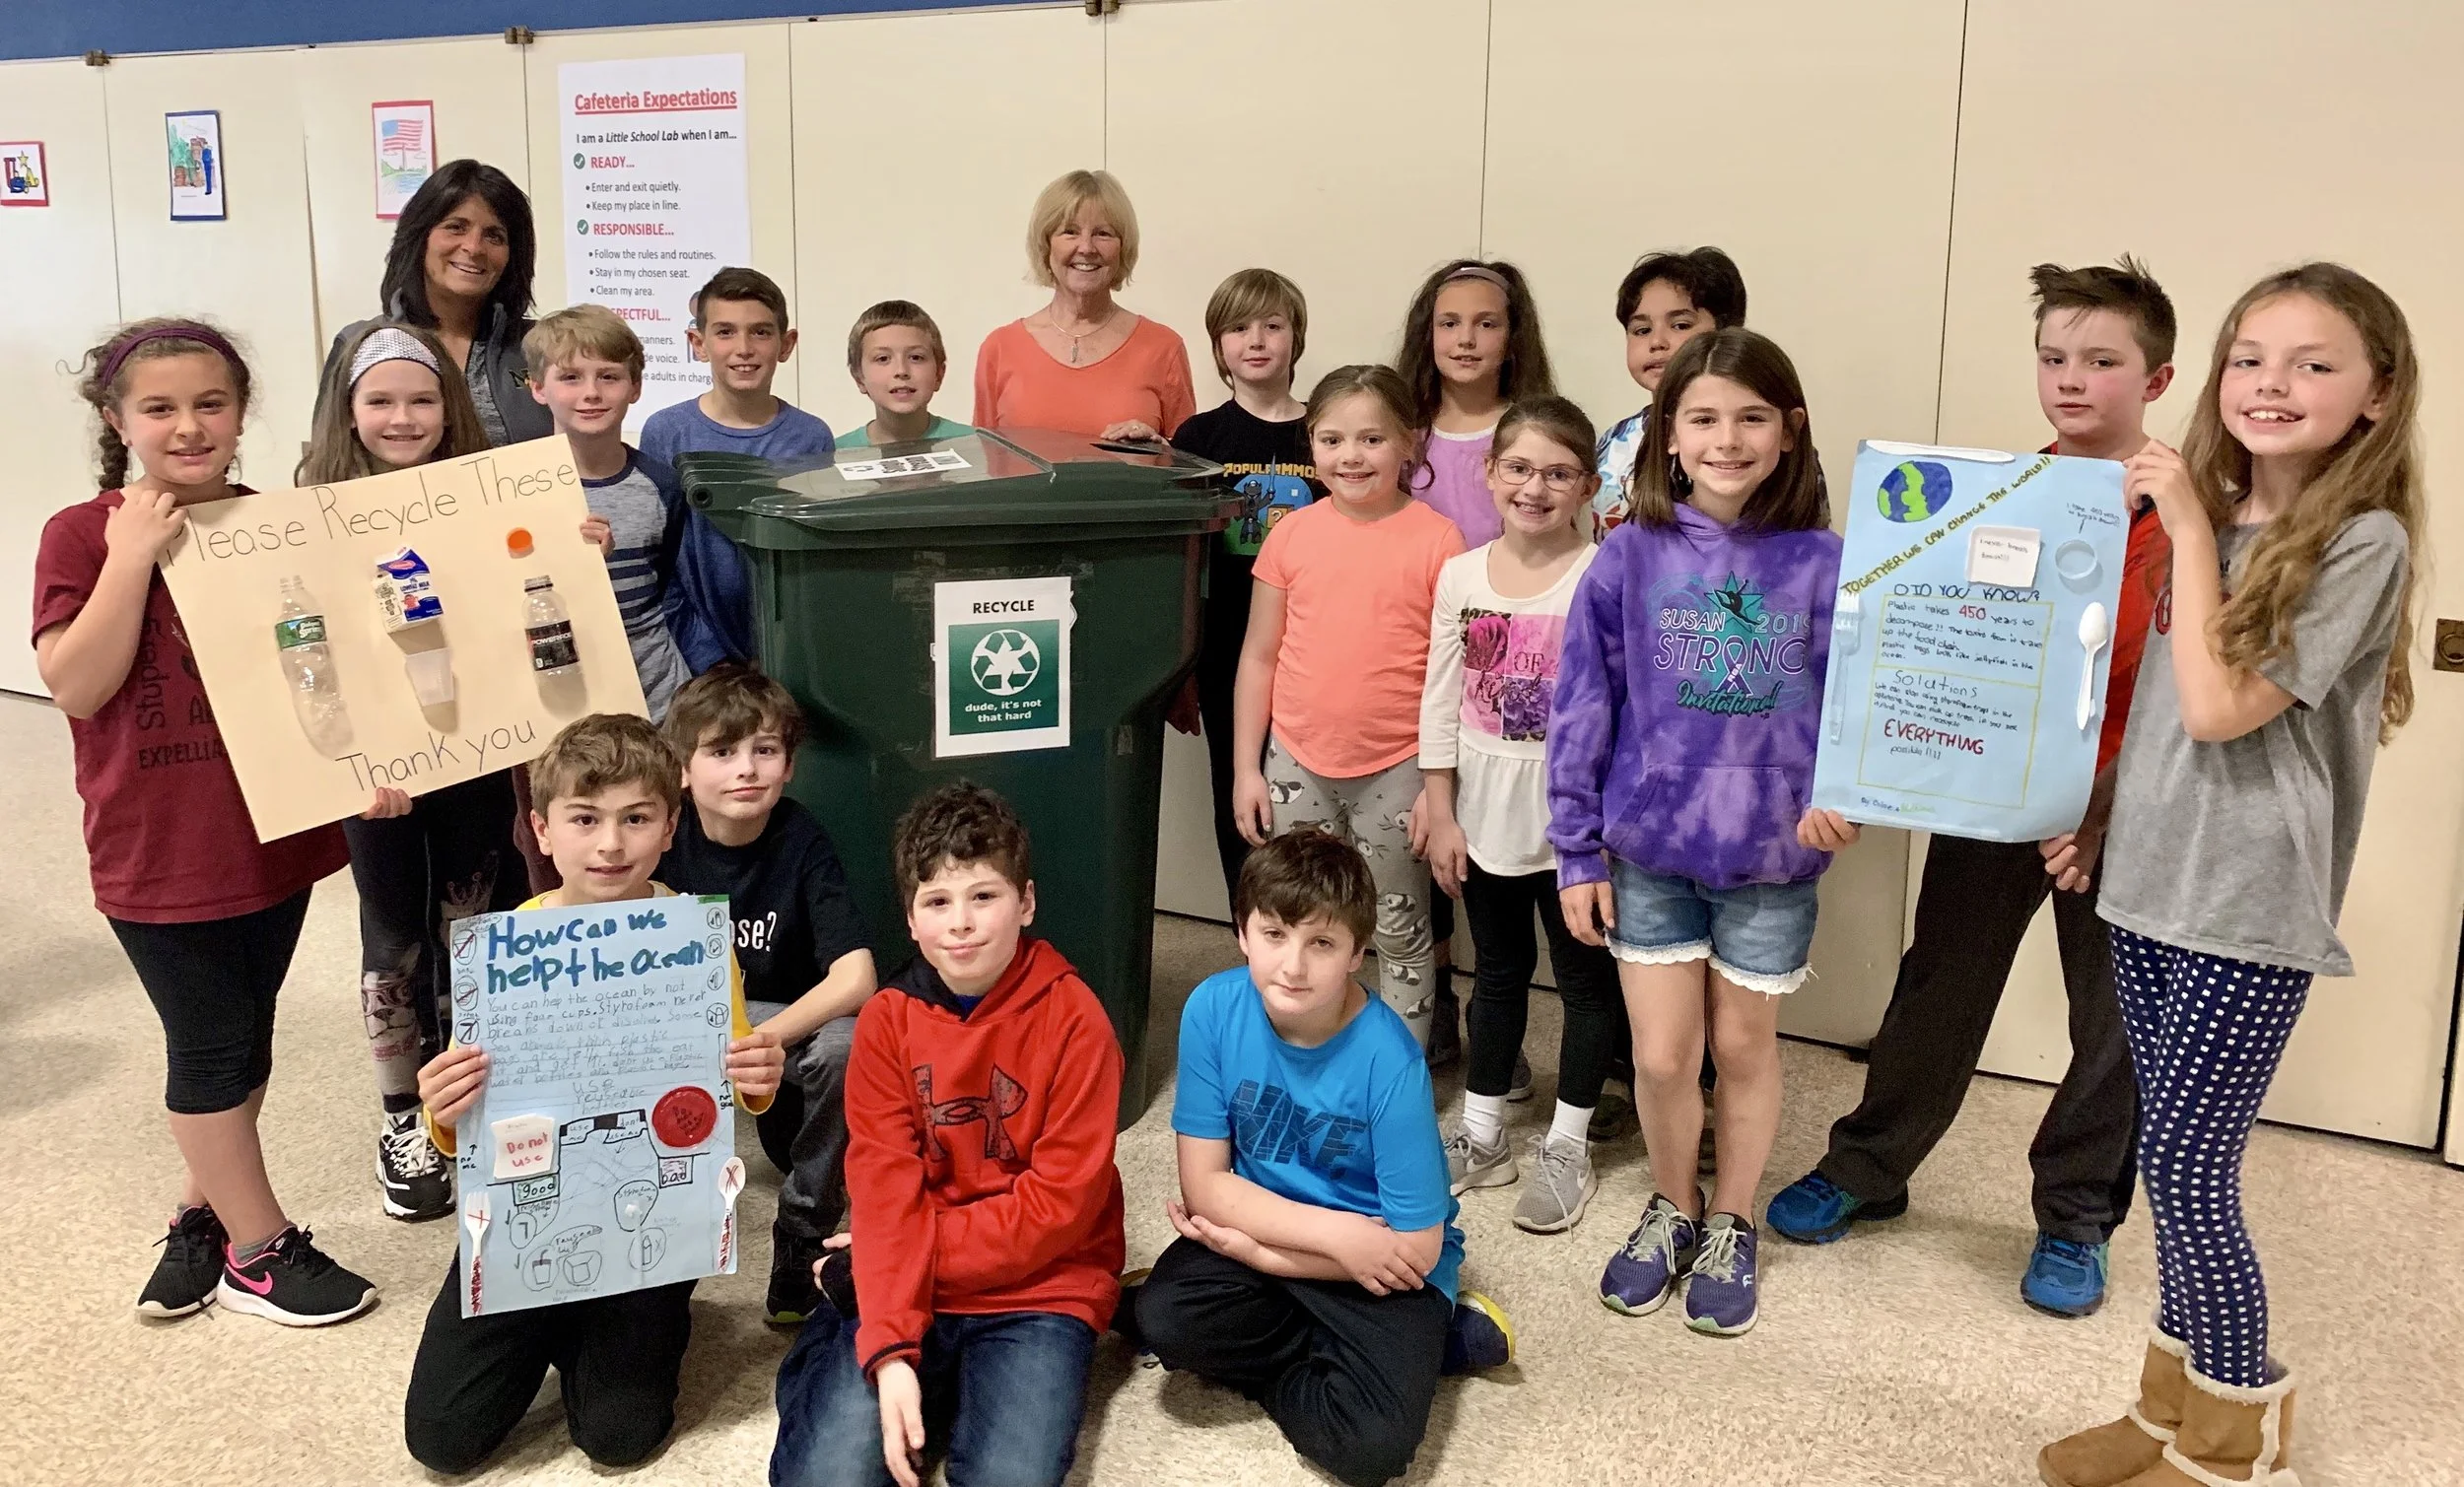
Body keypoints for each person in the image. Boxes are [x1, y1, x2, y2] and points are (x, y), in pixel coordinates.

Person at [2039, 263, 2421, 1487]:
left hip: (2242, 903)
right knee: (2166, 1160)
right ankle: (2166, 1410)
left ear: (2375, 395)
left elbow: (2217, 710)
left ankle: (2236, 1436)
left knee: (2192, 1174)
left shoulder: (2362, 541)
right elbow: (2151, 710)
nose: (2271, 384)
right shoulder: (2216, 516)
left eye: (2314, 364)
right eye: (2250, 356)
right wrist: (2096, 819)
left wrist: (2190, 529)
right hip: (2147, 877)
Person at [1766, 258, 2179, 1319]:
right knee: (1939, 984)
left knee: (2113, 1025)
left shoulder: (2192, 514)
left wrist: (2099, 808)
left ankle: (2076, 1219)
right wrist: (1866, 770)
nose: (2071, 380)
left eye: (2101, 360)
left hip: (2127, 814)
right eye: (2053, 358)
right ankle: (1868, 1168)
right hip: (1999, 801)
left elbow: (2192, 692)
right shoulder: (2001, 498)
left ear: (2159, 377)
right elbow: (1933, 654)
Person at [39, 319, 376, 1325]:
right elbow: (76, 685)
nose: (189, 428)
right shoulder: (81, 531)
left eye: (211, 405)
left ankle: (204, 1213)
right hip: (155, 846)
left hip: (270, 838)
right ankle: (261, 1252)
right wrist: (133, 555)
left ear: (240, 414)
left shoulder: (273, 521)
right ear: (117, 420)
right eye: (160, 408)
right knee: (210, 1048)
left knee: (247, 1032)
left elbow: (333, 667)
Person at [1550, 328, 1846, 1337]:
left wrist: (1848, 792)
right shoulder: (1626, 556)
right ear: (1666, 434)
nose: (1728, 439)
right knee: (1668, 1056)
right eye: (1705, 419)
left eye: (1752, 418)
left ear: (1789, 432)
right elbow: (1582, 707)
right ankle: (1671, 1205)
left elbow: (1864, 708)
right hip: (1649, 854)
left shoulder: (1824, 564)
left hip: (1769, 859)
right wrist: (1576, 849)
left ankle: (1732, 1219)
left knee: (1741, 1043)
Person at [403, 713, 785, 1471]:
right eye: (585, 819)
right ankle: (553, 1315)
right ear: (540, 830)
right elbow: (459, 1122)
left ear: (670, 826)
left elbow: (722, 1094)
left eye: (636, 818)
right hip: (522, 1218)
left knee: (620, 1436)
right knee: (441, 1438)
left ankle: (639, 1314)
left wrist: (758, 1082)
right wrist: (442, 1114)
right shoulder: (505, 947)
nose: (611, 844)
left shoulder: (694, 945)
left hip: (645, 1219)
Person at [1129, 829, 1513, 1487]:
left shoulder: (1389, 1058)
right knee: (1162, 1317)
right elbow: (1205, 1187)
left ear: (1358, 952)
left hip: (1384, 1262)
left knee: (1370, 1452)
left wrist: (1286, 1246)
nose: (1293, 965)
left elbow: (1416, 1248)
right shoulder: (1213, 1010)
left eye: (1322, 943)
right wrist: (1296, 1244)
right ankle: (1355, 1353)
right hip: (1295, 1234)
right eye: (1274, 934)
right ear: (1242, 932)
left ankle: (1420, 1339)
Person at [771, 782, 1125, 1487]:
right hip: (908, 1280)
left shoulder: (1079, 1020)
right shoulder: (886, 1023)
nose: (960, 924)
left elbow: (1056, 1211)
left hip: (1041, 1289)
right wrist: (891, 1343)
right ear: (910, 918)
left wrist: (879, 1260)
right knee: (827, 1476)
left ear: (1026, 902)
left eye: (983, 897)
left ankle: (907, 1343)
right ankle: (862, 1345)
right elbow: (883, 1184)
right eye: (937, 901)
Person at [297, 321, 533, 1222]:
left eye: (423, 398)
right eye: (381, 400)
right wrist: (360, 757)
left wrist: (564, 542)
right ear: (348, 411)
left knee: (479, 906)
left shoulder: (479, 492)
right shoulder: (312, 509)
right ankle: (403, 1111)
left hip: (469, 742)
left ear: (452, 406)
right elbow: (313, 650)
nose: (404, 417)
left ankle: (478, 1082)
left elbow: (525, 589)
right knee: (393, 924)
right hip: (375, 768)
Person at [1416, 396, 1620, 1235]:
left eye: (1559, 472)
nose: (1537, 487)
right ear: (1490, 472)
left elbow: (1625, 708)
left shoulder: (1603, 572)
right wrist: (1441, 809)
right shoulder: (1461, 575)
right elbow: (1439, 699)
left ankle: (1569, 1143)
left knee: (1581, 981)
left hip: (1574, 826)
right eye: (1520, 468)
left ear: (1588, 485)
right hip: (1483, 818)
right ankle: (1482, 1131)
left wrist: (1602, 835)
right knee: (1494, 974)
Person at [1230, 365, 1464, 1048]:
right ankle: (1294, 1053)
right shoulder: (1291, 535)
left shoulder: (1438, 540)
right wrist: (1249, 768)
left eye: (1370, 439)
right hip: (1297, 760)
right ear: (1312, 444)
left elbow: (1451, 676)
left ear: (1409, 445)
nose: (1351, 456)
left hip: (1400, 768)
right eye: (1332, 440)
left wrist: (1437, 788)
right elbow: (1259, 657)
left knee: (1397, 929)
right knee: (1293, 919)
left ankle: (1397, 1073)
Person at [653, 663, 876, 1325]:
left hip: (776, 1026)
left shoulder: (800, 837)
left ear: (789, 766)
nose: (746, 768)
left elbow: (857, 978)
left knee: (852, 1040)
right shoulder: (661, 837)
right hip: (685, 1023)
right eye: (722, 751)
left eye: (765, 750)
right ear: (684, 770)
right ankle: (651, 1241)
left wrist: (763, 1040)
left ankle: (803, 1233)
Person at [1393, 258, 1554, 1065]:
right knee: (1426, 864)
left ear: (1512, 336)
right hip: (1406, 672)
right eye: (1450, 322)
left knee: (1492, 862)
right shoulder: (1400, 431)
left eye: (1486, 322)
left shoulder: (1533, 436)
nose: (1466, 338)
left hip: (1502, 685)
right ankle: (1442, 1010)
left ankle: (1503, 1029)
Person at [1168, 268, 1320, 907]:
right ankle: (1252, 936)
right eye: (1238, 327)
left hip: (1312, 650)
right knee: (1241, 794)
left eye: (1272, 325)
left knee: (1309, 801)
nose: (1255, 340)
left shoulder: (1326, 431)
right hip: (1227, 647)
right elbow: (1179, 556)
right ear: (1218, 345)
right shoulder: (1199, 439)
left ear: (1297, 337)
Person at [641, 266, 836, 672]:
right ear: (698, 343)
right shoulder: (666, 433)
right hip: (697, 661)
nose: (743, 348)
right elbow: (658, 560)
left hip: (788, 653)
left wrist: (788, 649)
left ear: (787, 343)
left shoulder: (812, 438)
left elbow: (816, 562)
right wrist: (705, 655)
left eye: (761, 332)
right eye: (725, 332)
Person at [524, 304, 693, 722]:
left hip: (655, 696)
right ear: (537, 388)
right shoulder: (510, 489)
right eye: (570, 377)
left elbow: (670, 587)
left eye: (609, 376)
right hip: (554, 698)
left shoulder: (663, 484)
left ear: (635, 387)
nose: (592, 393)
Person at [320, 160, 550, 448]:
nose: (474, 247)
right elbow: (329, 463)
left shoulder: (544, 346)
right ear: (420, 237)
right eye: (456, 227)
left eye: (494, 235)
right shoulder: (357, 345)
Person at [971, 169, 1196, 441]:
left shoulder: (1164, 348)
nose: (1086, 247)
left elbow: (1191, 470)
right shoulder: (999, 348)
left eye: (1103, 233)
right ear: (1046, 244)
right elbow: (984, 465)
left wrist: (1162, 449)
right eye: (1070, 232)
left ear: (1123, 248)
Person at [1593, 247, 1746, 534]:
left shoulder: (1760, 438)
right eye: (1641, 330)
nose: (1657, 342)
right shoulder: (1614, 443)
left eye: (1680, 325)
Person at [839, 301, 974, 449]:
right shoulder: (832, 456)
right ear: (859, 378)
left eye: (916, 357)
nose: (901, 371)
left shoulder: (974, 446)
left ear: (939, 374)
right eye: (883, 359)